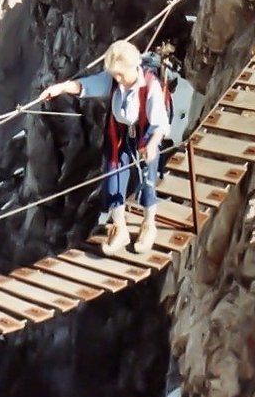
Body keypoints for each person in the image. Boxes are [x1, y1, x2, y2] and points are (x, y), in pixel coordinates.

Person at [39, 39, 170, 256]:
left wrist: (153, 145)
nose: (117, 79)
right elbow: (85, 86)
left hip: (146, 135)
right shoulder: (114, 80)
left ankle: (149, 224)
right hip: (120, 134)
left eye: (120, 74)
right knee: (113, 176)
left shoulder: (150, 86)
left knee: (148, 179)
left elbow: (160, 123)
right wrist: (60, 88)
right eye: (114, 74)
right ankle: (120, 227)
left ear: (133, 67)